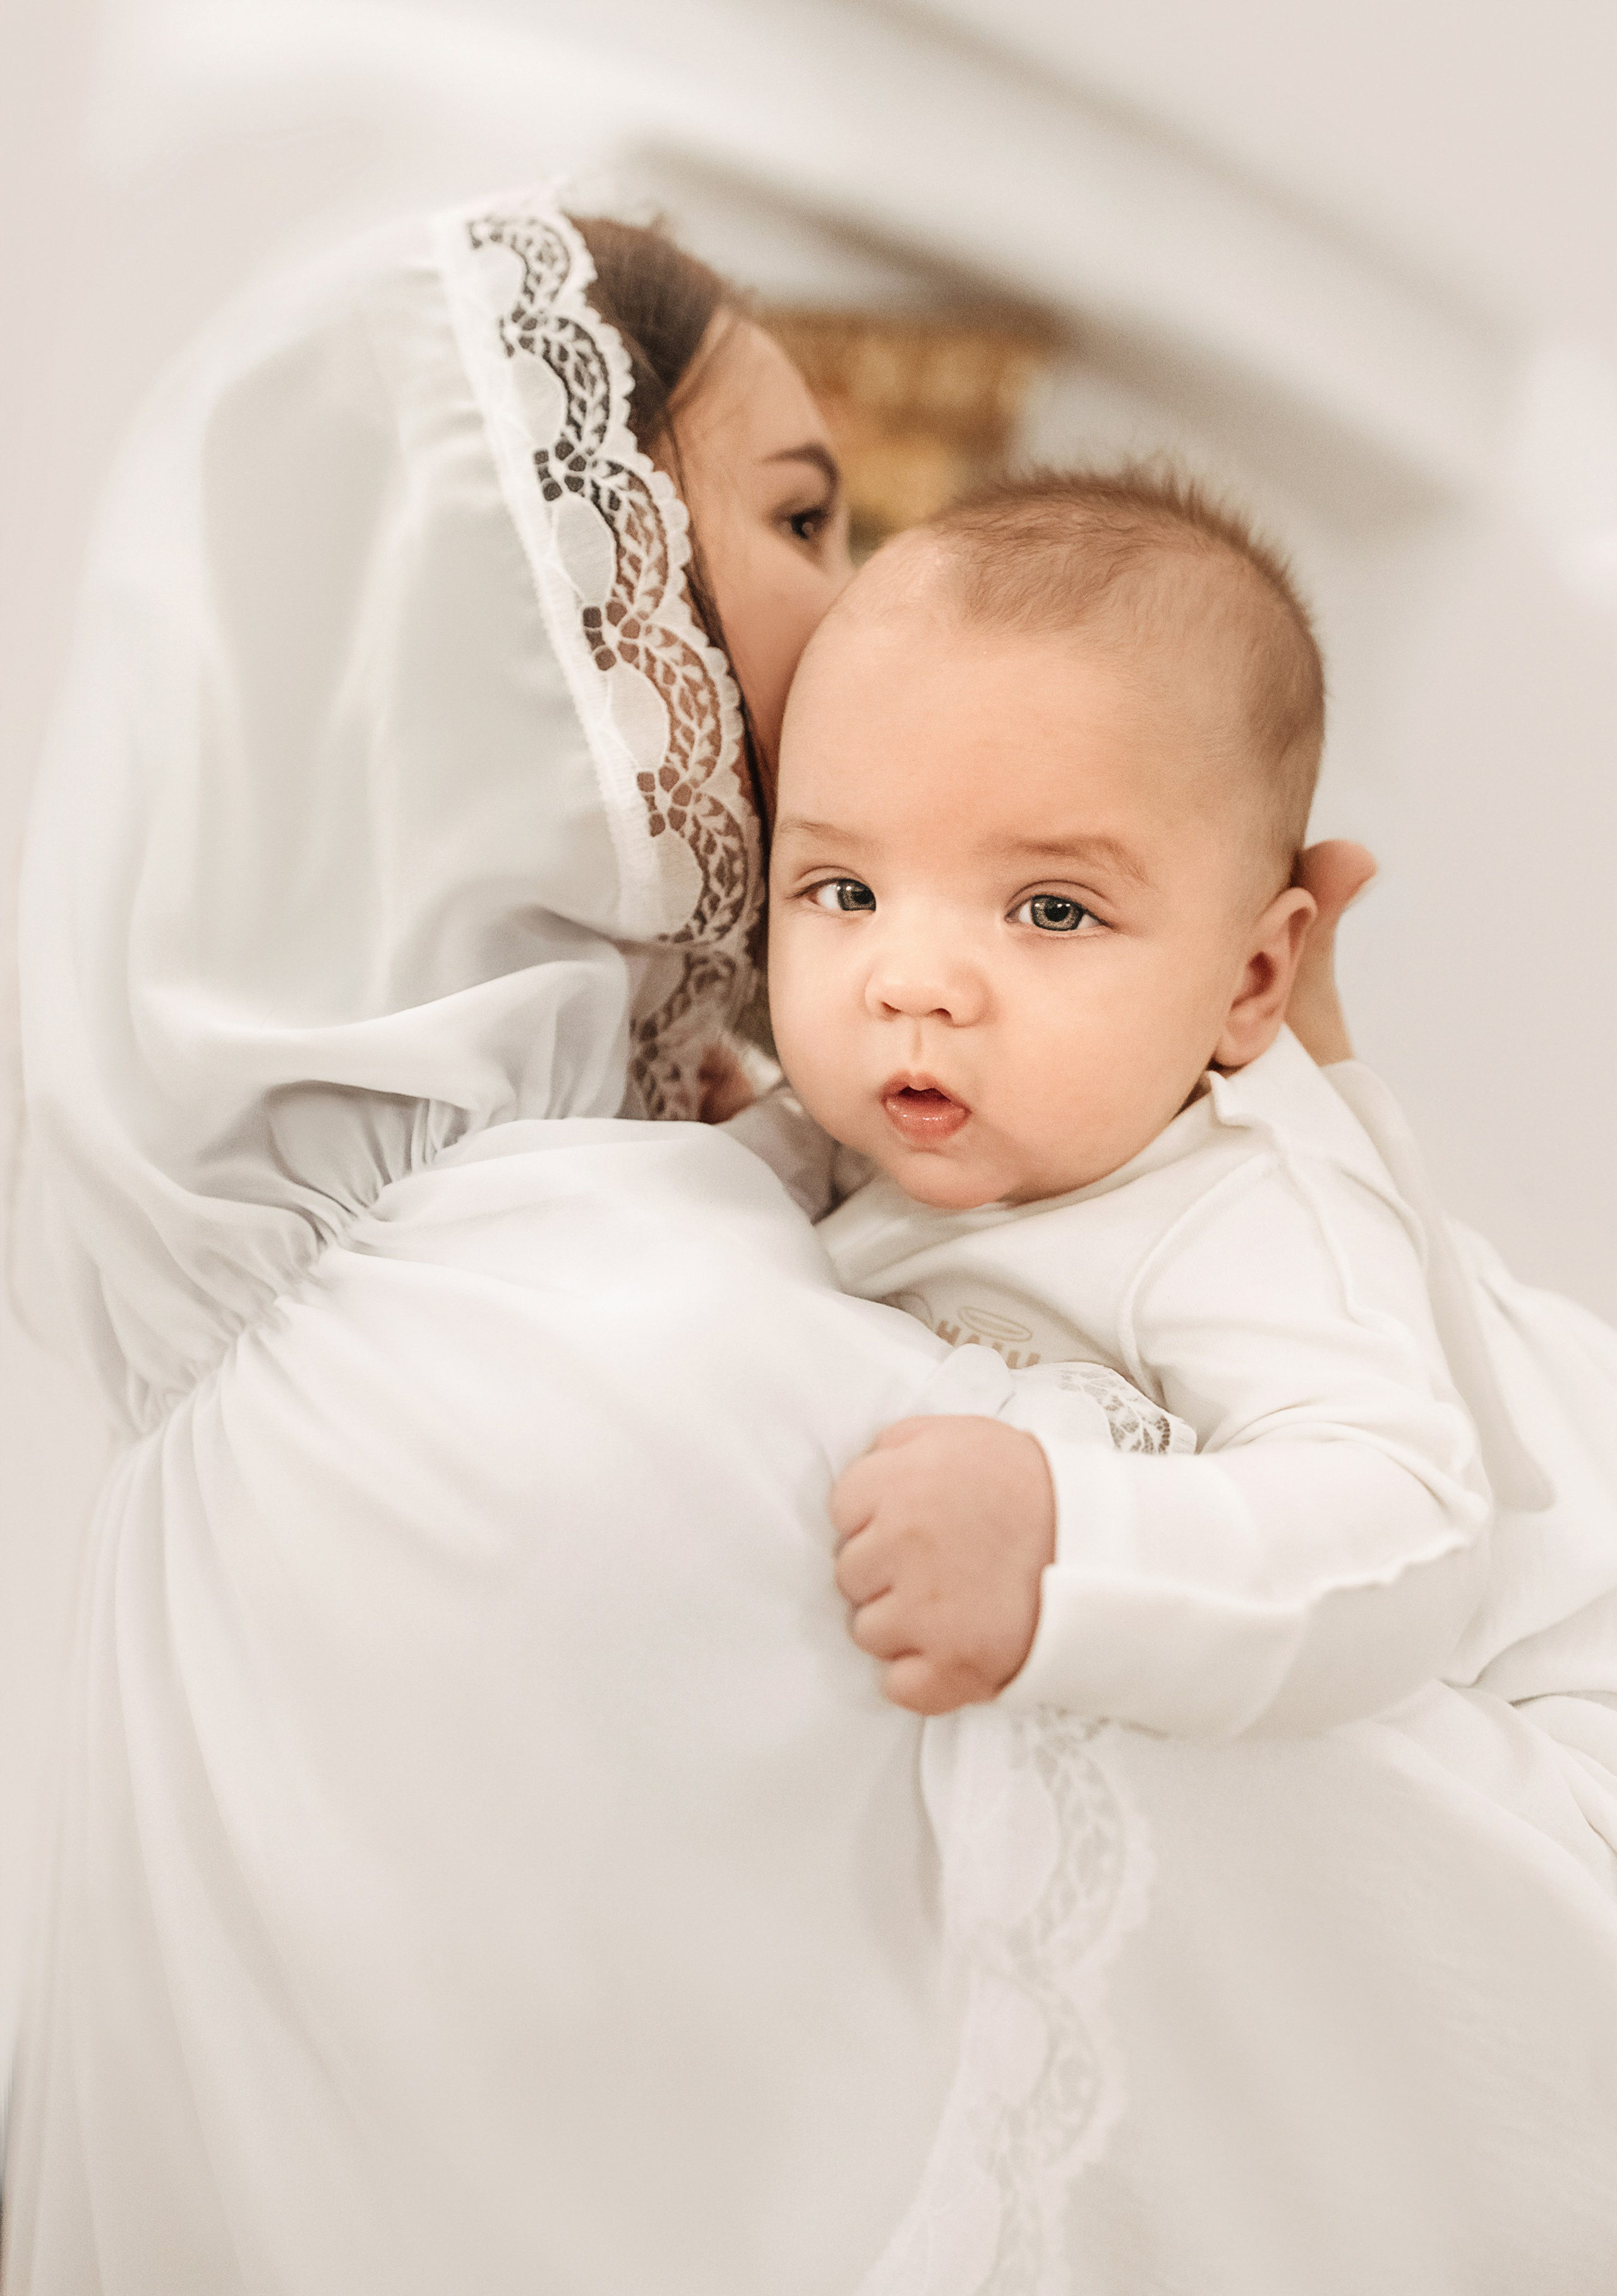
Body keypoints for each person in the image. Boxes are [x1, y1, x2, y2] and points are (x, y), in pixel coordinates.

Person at [5, 188, 1616, 2296]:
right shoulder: (560, 1315)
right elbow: (1375, 1933)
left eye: (1053, 900)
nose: (860, 624)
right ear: (554, 613)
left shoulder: (472, 1270)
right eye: (802, 520)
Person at [763, 467, 1494, 1738]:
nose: (912, 984)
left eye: (1051, 909)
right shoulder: (892, 1121)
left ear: (1250, 978)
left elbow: (1414, 1529)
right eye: (844, 892)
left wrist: (1066, 1542)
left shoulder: (1241, 1219)